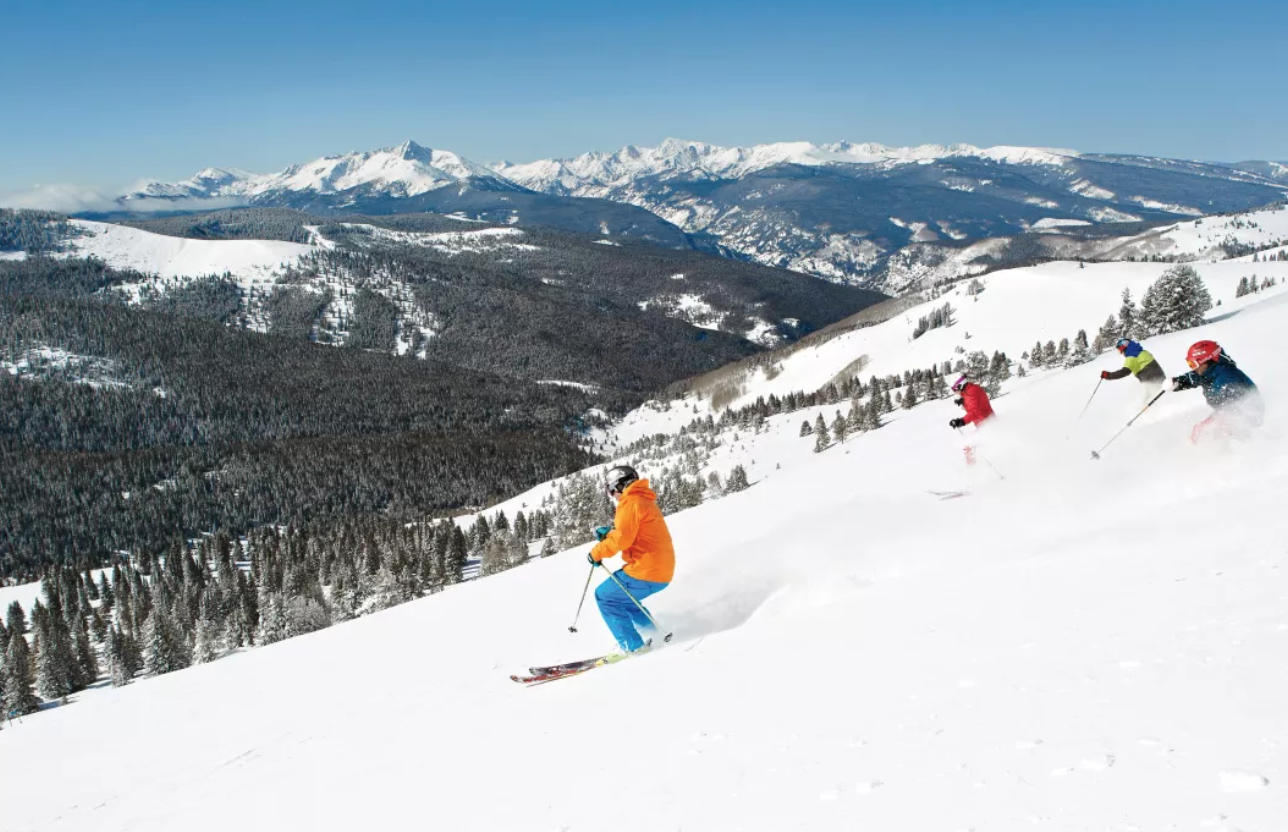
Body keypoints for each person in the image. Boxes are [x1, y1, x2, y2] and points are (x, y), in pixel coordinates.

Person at [588, 465, 675, 654]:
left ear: (620, 485)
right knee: (626, 600)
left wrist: (596, 552)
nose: (612, 495)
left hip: (647, 570)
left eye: (611, 490)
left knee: (605, 596)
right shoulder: (642, 499)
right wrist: (610, 533)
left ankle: (633, 647)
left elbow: (623, 539)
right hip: (660, 569)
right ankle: (651, 633)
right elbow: (629, 533)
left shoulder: (630, 503)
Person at [1171, 340, 1263, 444]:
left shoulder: (1227, 378)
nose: (1193, 368)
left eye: (1193, 364)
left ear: (1206, 360)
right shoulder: (1209, 371)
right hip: (1227, 414)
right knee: (1201, 431)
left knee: (1207, 432)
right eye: (1190, 363)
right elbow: (1194, 377)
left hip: (1247, 419)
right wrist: (1177, 382)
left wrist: (1210, 423)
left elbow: (1231, 409)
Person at [948, 374, 994, 466]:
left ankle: (975, 469)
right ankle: (977, 467)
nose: (954, 392)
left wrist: (961, 421)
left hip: (988, 423)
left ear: (960, 385)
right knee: (972, 445)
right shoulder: (969, 391)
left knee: (969, 445)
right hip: (984, 422)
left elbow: (975, 412)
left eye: (954, 389)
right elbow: (973, 405)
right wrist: (963, 401)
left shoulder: (971, 392)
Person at [1102, 338, 1166, 397]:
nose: (1121, 353)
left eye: (1120, 351)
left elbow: (1124, 372)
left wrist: (1108, 375)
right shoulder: (1143, 352)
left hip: (1152, 381)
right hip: (1160, 379)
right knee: (1147, 394)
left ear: (1124, 348)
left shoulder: (1131, 356)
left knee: (1147, 395)